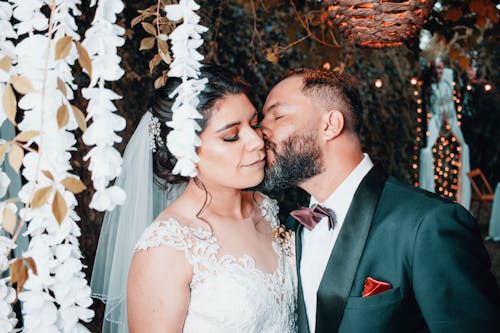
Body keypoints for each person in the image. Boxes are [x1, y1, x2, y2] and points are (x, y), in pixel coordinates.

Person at [260, 68, 500, 333]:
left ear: (330, 125)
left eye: (277, 116)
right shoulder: (294, 228)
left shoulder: (429, 223)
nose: (260, 132)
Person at [91, 64, 297, 333]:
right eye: (232, 136)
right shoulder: (168, 246)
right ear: (185, 153)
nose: (256, 141)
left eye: (254, 123)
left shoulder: (266, 207)